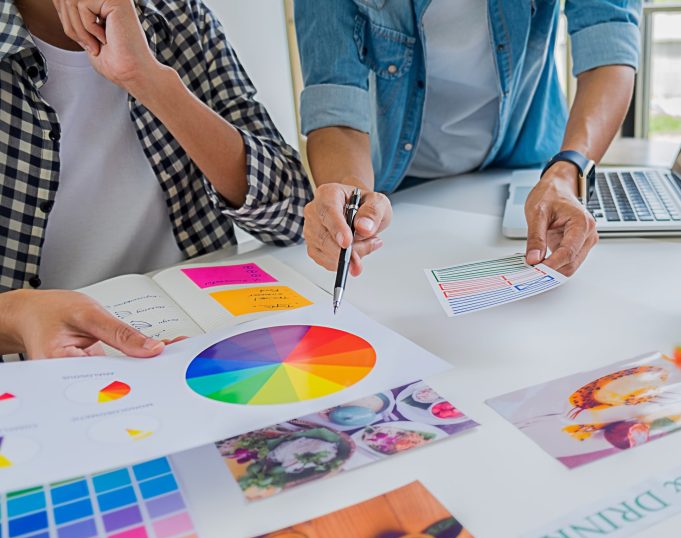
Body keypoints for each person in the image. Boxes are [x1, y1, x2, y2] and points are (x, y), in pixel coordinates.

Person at [0, 0, 310, 360]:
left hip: (197, 345)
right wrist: (14, 317)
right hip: (50, 373)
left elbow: (295, 216)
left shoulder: (179, 14)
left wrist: (146, 77)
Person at [295, 0, 640, 279]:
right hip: (397, 189)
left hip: (528, 165)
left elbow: (607, 41)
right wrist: (351, 193)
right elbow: (335, 101)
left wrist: (568, 173)